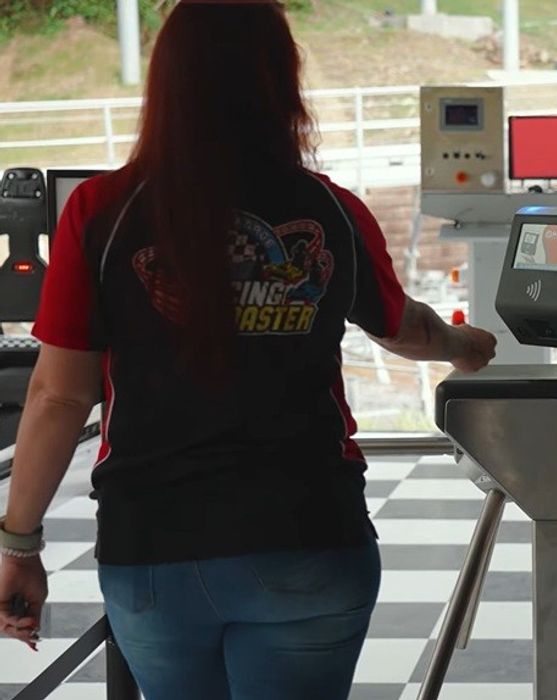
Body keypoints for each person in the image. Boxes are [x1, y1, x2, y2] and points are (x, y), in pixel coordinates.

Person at [0, 3, 496, 699]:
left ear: (165, 85)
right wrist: (466, 345)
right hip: (307, 532)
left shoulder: (102, 212)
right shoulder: (329, 210)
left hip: (154, 545)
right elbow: (404, 329)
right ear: (281, 85)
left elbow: (58, 395)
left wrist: (19, 544)